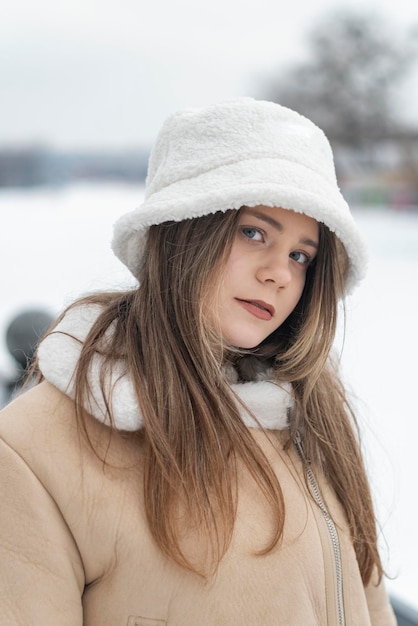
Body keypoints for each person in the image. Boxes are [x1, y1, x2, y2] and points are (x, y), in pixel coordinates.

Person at [0, 98, 396, 625]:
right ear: (184, 230)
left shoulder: (311, 414)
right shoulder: (34, 451)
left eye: (302, 255)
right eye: (254, 232)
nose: (281, 273)